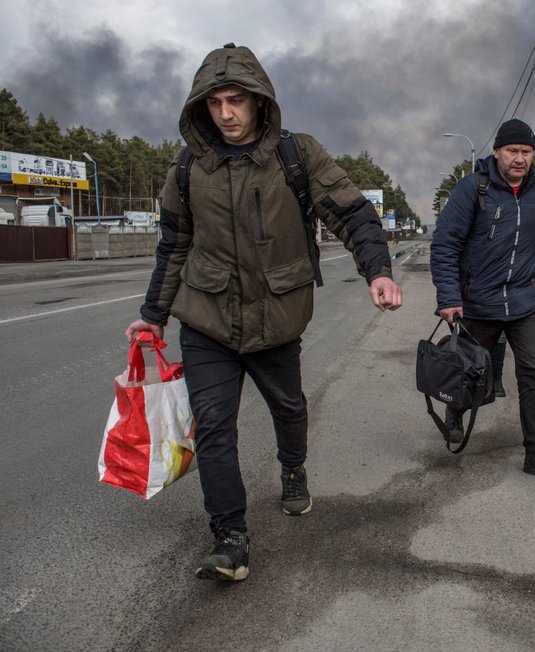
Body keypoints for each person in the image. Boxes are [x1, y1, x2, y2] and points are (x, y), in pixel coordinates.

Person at [124, 43, 403, 581]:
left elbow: (354, 214)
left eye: (235, 101)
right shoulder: (187, 168)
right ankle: (229, 537)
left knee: (289, 408)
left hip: (277, 318)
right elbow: (173, 245)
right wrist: (153, 313)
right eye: (214, 103)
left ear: (258, 101)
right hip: (207, 319)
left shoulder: (296, 155)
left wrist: (380, 272)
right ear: (199, 106)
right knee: (213, 429)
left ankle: (293, 469)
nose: (225, 114)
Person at [430, 118, 535, 475]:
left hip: (525, 301)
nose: (520, 158)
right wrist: (449, 297)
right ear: (497, 152)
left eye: (526, 152)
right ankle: (454, 411)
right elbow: (446, 246)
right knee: (470, 373)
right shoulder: (471, 189)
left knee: (534, 375)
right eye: (513, 151)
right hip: (478, 302)